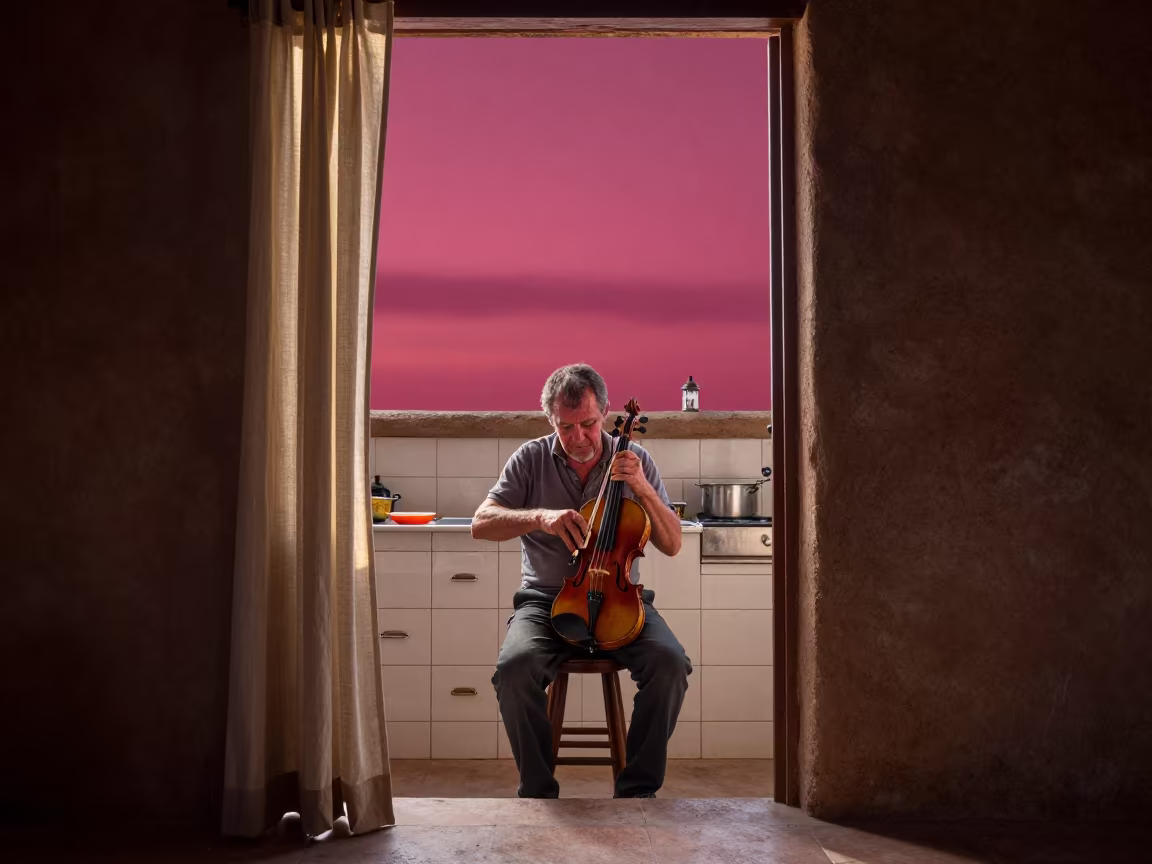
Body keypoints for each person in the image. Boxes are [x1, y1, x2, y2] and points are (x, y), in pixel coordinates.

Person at [471, 363, 692, 799]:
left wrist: (643, 490)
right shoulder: (531, 458)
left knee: (671, 665)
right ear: (550, 420)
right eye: (565, 426)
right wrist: (540, 516)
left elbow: (672, 544)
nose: (578, 438)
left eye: (588, 424)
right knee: (513, 670)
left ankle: (637, 791)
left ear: (606, 413)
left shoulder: (635, 460)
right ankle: (537, 791)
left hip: (623, 599)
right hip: (545, 602)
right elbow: (481, 522)